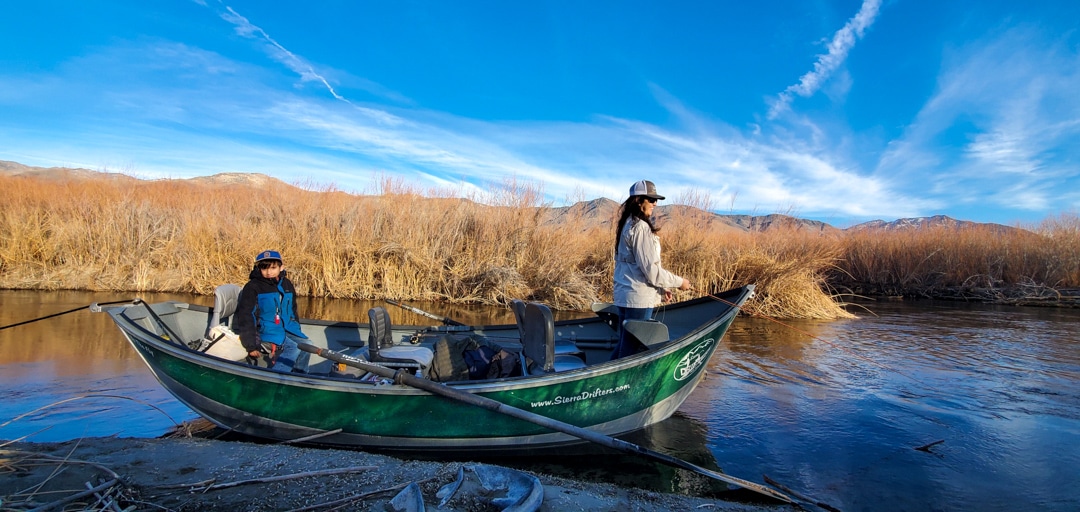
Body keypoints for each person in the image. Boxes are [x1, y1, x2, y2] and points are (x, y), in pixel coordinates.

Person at [610, 180, 691, 360]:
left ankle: (602, 383)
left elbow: (636, 266)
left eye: (656, 200)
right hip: (638, 299)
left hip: (625, 295)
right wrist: (680, 283)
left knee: (625, 344)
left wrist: (661, 288)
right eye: (651, 199)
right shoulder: (640, 228)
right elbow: (652, 271)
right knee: (630, 350)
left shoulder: (627, 225)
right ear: (639, 200)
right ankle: (616, 386)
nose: (655, 204)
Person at [235, 250, 310, 373]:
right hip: (265, 331)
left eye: (273, 268)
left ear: (281, 267)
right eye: (264, 268)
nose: (269, 272)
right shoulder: (252, 287)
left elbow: (292, 310)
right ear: (259, 268)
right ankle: (277, 378)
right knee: (294, 348)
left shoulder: (286, 284)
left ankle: (299, 377)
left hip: (288, 329)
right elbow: (246, 316)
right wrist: (251, 345)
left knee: (308, 346)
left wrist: (297, 330)